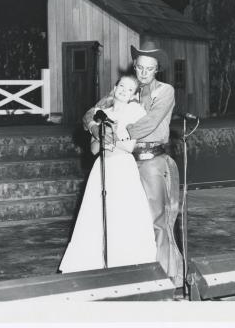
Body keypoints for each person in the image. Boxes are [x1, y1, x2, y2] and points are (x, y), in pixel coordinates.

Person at [83, 40, 183, 285]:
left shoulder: (165, 91)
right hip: (125, 163)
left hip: (151, 162)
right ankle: (137, 277)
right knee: (129, 221)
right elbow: (90, 113)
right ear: (135, 66)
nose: (144, 73)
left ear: (157, 69)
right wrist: (98, 128)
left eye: (149, 69)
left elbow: (149, 123)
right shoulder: (128, 88)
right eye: (139, 68)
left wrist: (116, 131)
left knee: (158, 221)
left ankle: (170, 278)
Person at [59, 75, 157, 273]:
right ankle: (95, 262)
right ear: (114, 87)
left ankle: (125, 260)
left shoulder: (135, 111)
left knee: (123, 215)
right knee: (97, 214)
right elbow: (94, 149)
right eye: (121, 86)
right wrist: (103, 139)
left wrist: (109, 142)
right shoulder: (101, 112)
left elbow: (129, 147)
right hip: (102, 168)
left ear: (134, 95)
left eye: (129, 89)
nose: (124, 91)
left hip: (122, 168)